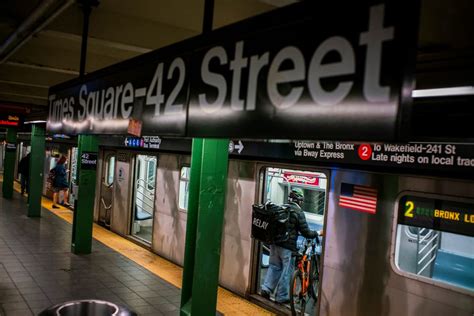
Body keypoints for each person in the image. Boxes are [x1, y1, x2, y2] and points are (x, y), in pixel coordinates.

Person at [261, 188, 319, 304]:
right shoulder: (298, 212)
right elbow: (306, 232)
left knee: (274, 267)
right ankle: (281, 296)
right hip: (287, 247)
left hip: (275, 244)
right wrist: (317, 233)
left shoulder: (281, 207)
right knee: (287, 272)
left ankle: (266, 289)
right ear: (299, 200)